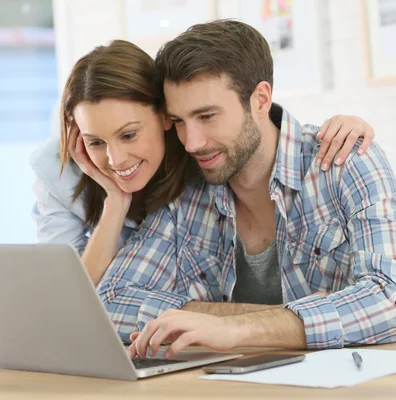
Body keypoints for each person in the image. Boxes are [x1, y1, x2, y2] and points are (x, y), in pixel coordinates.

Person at [85, 20, 396, 359]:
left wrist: (236, 330)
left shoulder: (344, 162)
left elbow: (389, 295)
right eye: (178, 121)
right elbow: (110, 300)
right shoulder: (187, 193)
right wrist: (220, 323)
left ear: (260, 100)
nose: (191, 142)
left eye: (207, 116)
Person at [30, 41, 376, 287]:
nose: (114, 159)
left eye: (130, 135)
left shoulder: (199, 154)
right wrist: (114, 204)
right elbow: (71, 302)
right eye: (95, 142)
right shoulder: (58, 172)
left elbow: (249, 119)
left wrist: (348, 127)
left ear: (163, 117)